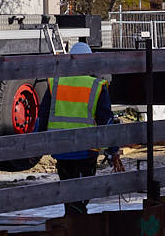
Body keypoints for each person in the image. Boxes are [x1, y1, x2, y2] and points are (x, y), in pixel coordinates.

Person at [35, 41, 124, 214]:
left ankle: (72, 225)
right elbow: (106, 123)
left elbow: (43, 116)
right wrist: (113, 151)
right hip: (87, 150)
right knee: (83, 196)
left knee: (69, 196)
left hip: (61, 150)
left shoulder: (56, 84)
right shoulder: (96, 86)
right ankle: (79, 228)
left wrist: (36, 144)